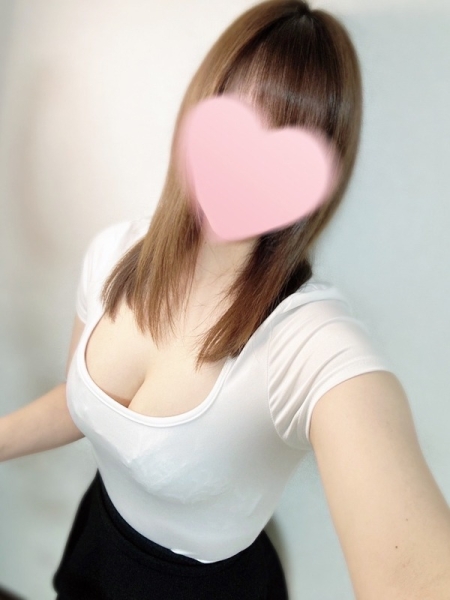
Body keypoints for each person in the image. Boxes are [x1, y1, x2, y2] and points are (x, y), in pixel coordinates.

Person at [1, 1, 450, 598]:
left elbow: (415, 572)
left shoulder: (308, 342)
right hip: (98, 542)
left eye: (285, 143)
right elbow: (79, 402)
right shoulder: (113, 253)